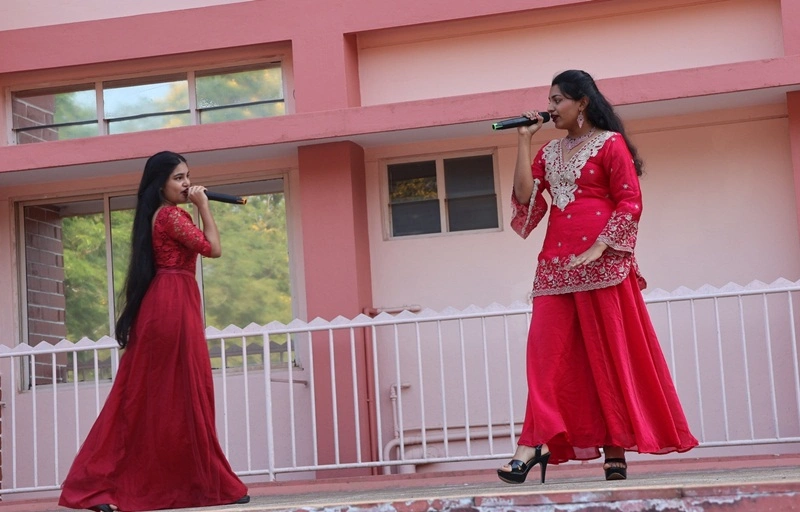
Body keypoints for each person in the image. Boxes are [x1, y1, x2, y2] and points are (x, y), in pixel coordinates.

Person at [497, 70, 698, 484]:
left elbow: (630, 200)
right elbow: (525, 198)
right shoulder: (549, 151)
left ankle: (615, 447)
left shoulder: (610, 143)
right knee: (544, 359)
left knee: (606, 359)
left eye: (557, 100)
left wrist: (602, 246)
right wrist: (524, 141)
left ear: (582, 103)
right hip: (555, 266)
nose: (550, 108)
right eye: (549, 101)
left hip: (603, 267)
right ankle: (532, 444)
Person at [59, 151, 249, 511]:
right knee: (174, 395)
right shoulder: (171, 216)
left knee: (166, 397)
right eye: (178, 178)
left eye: (187, 176)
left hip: (172, 302)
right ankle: (104, 486)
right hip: (171, 305)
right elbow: (213, 249)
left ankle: (190, 483)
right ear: (160, 184)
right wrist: (204, 206)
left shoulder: (163, 215)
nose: (187, 183)